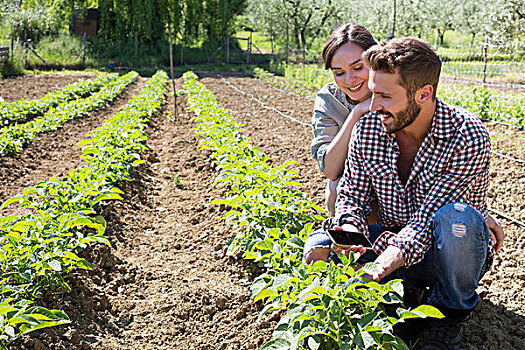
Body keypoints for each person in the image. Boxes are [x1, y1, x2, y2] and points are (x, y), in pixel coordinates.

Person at [304, 37, 506, 350]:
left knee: (457, 219)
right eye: (373, 92)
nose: (372, 106)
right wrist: (350, 227)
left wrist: (383, 264)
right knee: (317, 245)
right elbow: (352, 194)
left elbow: (429, 218)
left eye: (384, 95)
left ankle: (450, 313)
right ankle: (402, 293)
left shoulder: (466, 135)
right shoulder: (370, 126)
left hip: (446, 254)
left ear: (424, 94)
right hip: (391, 241)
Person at [310, 23, 377, 217]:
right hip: (356, 185)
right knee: (336, 186)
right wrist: (357, 113)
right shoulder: (329, 99)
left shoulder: (394, 91)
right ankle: (349, 243)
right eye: (339, 73)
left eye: (358, 67)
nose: (349, 80)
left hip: (398, 188)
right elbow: (330, 169)